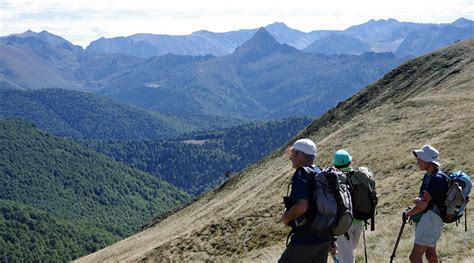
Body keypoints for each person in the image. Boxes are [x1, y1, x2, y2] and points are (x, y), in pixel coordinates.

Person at [279, 138, 337, 263]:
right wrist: (332, 239)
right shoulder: (320, 172)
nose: (290, 158)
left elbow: (302, 206)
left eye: (293, 153)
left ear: (300, 155)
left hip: (306, 239)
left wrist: (286, 218)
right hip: (324, 237)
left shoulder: (301, 174)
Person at [404, 144, 449, 263]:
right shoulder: (429, 176)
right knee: (430, 253)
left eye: (421, 159)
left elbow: (423, 205)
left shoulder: (436, 178)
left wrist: (408, 213)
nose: (418, 162)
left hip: (430, 220)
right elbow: (423, 202)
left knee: (414, 257)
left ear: (430, 161)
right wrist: (417, 203)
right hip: (431, 219)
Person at [332, 149, 364, 263]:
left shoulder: (335, 178)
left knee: (345, 257)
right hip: (360, 221)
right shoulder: (358, 176)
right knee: (348, 254)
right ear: (350, 162)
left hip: (344, 224)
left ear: (335, 164)